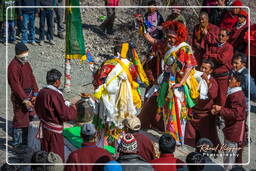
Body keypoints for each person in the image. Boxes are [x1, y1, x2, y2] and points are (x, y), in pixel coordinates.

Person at [140, 21, 198, 144]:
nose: (170, 40)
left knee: (177, 110)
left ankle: (177, 139)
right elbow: (152, 40)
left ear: (179, 36)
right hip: (166, 83)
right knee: (167, 110)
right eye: (169, 37)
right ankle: (169, 135)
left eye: (172, 37)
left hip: (178, 86)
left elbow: (189, 66)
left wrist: (181, 82)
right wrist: (143, 27)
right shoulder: (166, 45)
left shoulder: (184, 48)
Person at [93, 43, 146, 144]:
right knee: (121, 123)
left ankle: (101, 145)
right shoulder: (130, 66)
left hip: (108, 99)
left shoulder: (108, 63)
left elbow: (98, 79)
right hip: (125, 99)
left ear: (116, 52)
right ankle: (120, 148)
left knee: (104, 123)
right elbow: (135, 80)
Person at [35, 69, 77, 161]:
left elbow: (37, 108)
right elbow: (64, 114)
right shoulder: (55, 95)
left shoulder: (41, 92)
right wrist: (73, 110)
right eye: (60, 80)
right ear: (57, 81)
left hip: (45, 128)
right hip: (54, 132)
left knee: (46, 152)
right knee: (55, 155)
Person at [211, 73, 246, 169]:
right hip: (231, 128)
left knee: (230, 157)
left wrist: (220, 109)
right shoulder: (234, 93)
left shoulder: (237, 95)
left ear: (237, 83)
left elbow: (236, 114)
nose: (229, 81)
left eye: (232, 80)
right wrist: (219, 110)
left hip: (234, 131)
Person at [8, 42, 39, 147]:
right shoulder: (13, 67)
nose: (26, 57)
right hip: (19, 97)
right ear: (18, 54)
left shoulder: (26, 64)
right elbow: (15, 85)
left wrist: (35, 92)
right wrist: (25, 99)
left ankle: (26, 140)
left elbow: (32, 77)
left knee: (30, 117)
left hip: (30, 94)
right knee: (20, 118)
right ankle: (17, 141)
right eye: (23, 55)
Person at [185, 59, 220, 148]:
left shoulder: (213, 81)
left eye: (206, 69)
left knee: (205, 137)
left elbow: (214, 94)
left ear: (211, 70)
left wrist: (207, 82)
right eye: (202, 67)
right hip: (193, 112)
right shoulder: (195, 77)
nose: (203, 70)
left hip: (205, 115)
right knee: (190, 136)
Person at [203, 28, 233, 107]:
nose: (220, 37)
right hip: (213, 75)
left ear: (227, 37)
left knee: (221, 96)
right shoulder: (214, 45)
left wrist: (212, 55)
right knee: (212, 94)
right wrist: (214, 56)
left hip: (222, 77)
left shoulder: (228, 47)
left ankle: (221, 114)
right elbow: (206, 55)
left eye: (223, 36)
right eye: (219, 35)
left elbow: (223, 59)